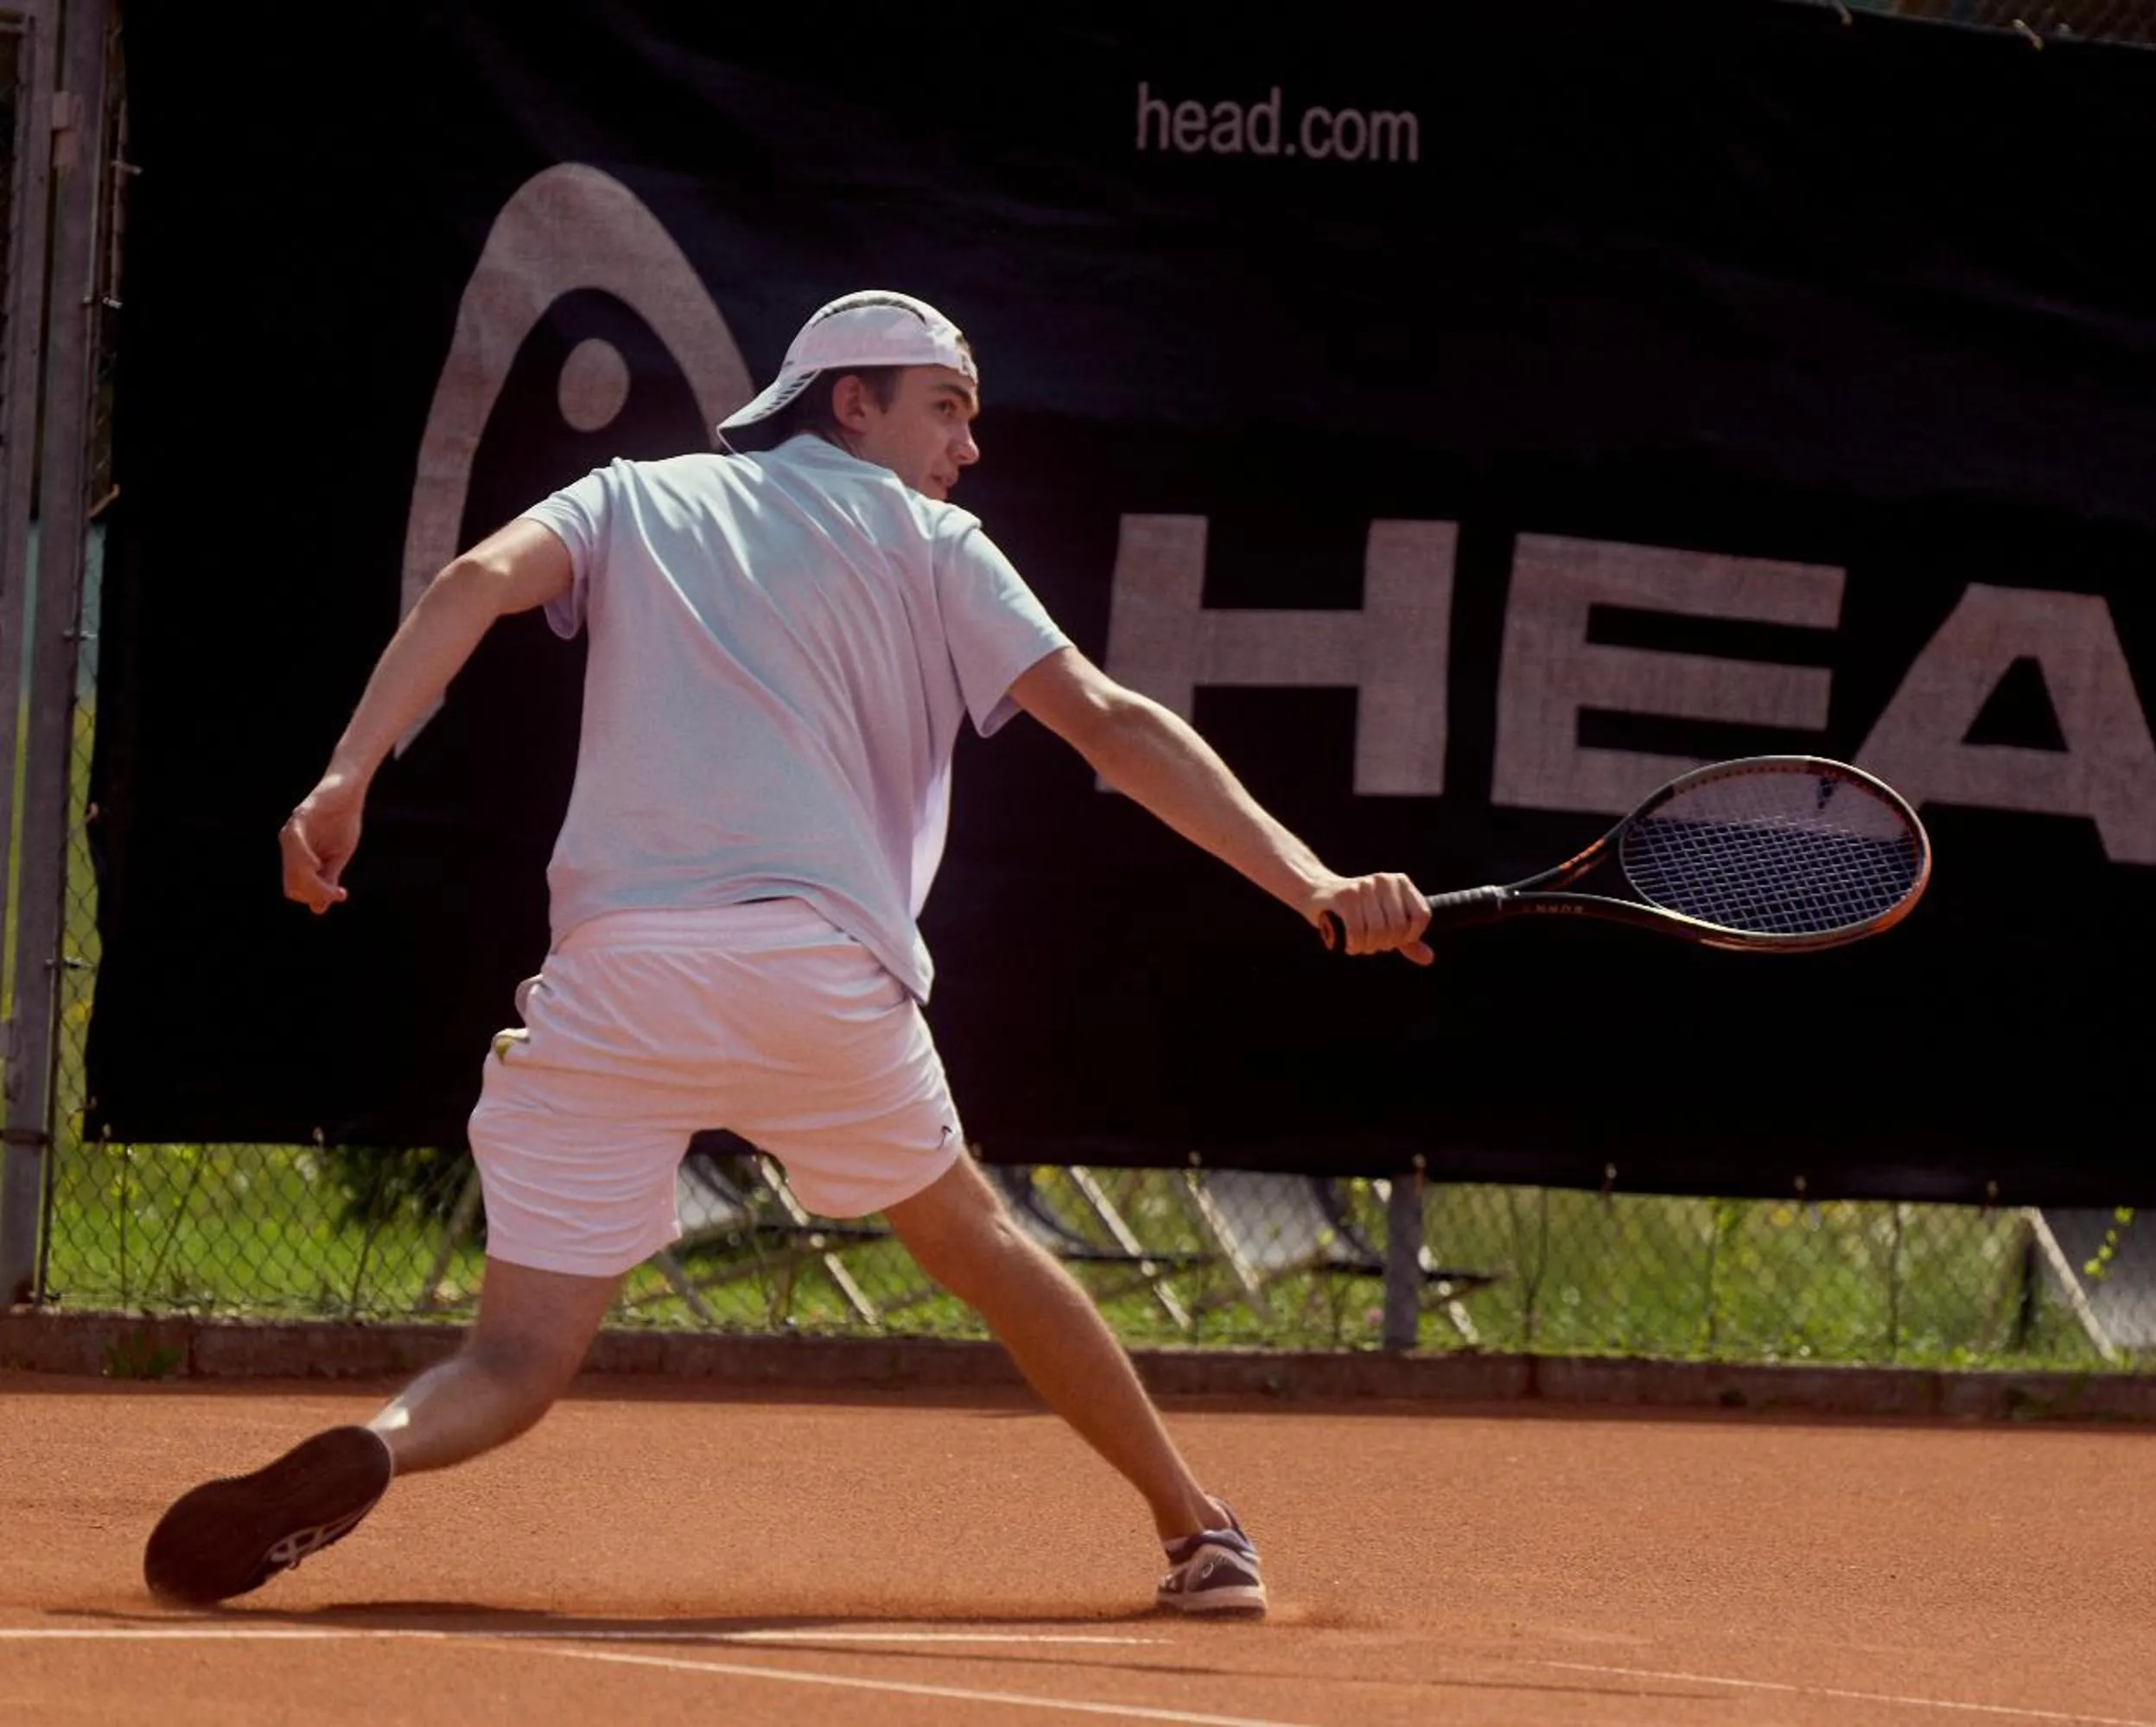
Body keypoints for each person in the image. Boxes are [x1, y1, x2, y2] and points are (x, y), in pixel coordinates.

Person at [143, 290, 1433, 1616]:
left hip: (614, 978)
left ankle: (384, 1444)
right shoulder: (939, 544)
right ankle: (1198, 1531)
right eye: (947, 406)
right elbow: (1109, 723)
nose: (969, 446)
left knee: (515, 1360)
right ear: (850, 402)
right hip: (819, 977)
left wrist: (348, 774)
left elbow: (475, 582)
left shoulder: (634, 495)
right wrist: (1313, 879)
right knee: (977, 1240)